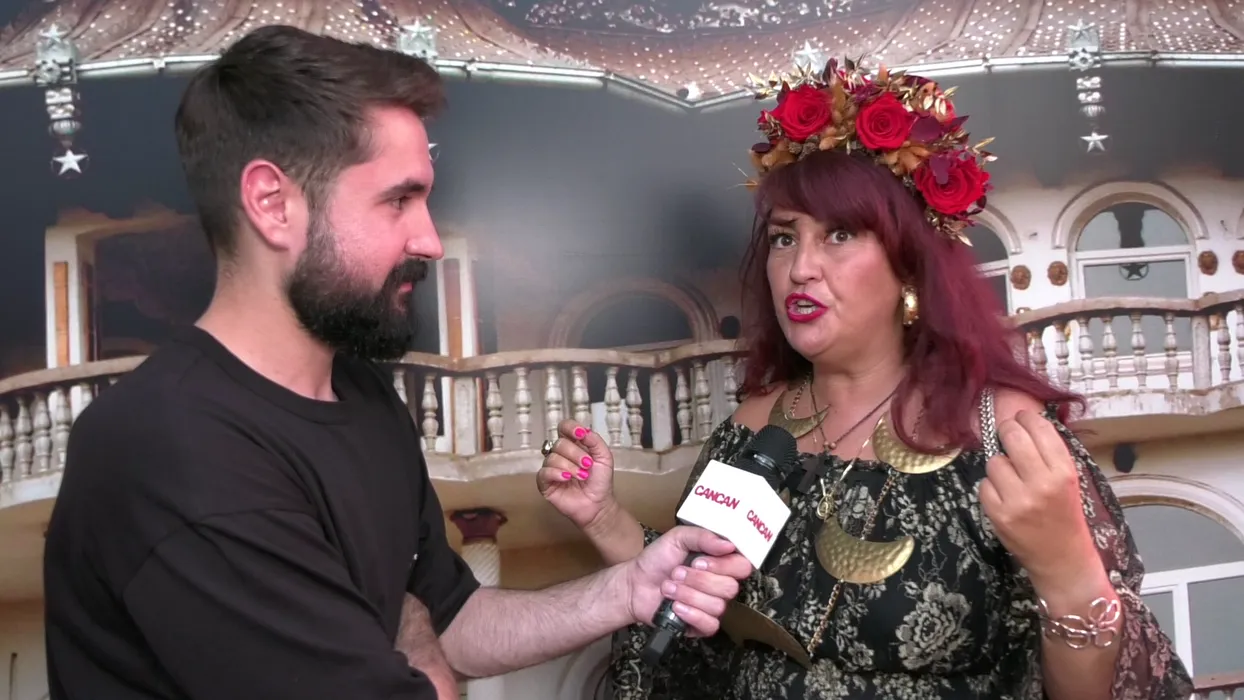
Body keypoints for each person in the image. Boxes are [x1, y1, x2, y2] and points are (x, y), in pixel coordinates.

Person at [41, 24, 753, 700]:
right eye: (398, 200)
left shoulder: (362, 395)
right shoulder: (171, 449)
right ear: (272, 204)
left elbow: (454, 618)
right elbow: (417, 644)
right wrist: (412, 634)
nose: (429, 240)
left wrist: (628, 589)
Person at [537, 60, 1193, 699]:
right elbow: (692, 598)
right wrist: (604, 517)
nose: (800, 268)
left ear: (909, 266)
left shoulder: (1004, 434)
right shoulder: (754, 427)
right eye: (785, 238)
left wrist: (1069, 571)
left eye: (840, 234)